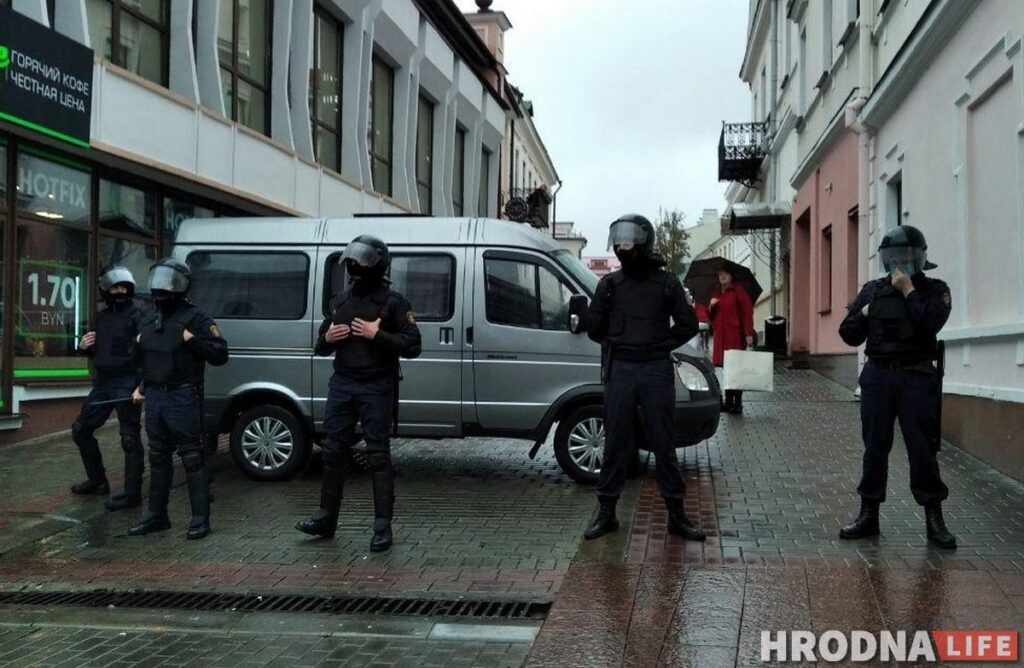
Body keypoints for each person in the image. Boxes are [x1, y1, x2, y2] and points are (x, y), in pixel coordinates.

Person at [583, 214, 705, 542]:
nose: (623, 245)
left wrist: (660, 343)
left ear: (643, 239)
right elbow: (594, 327)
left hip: (654, 369)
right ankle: (606, 513)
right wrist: (611, 334)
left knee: (663, 443)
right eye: (618, 239)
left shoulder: (666, 283)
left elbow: (688, 324)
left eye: (628, 238)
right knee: (616, 443)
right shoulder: (609, 285)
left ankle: (676, 515)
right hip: (621, 368)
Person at [296, 235, 421, 552]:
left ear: (377, 265)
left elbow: (413, 346)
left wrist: (376, 334)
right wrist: (329, 337)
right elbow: (320, 347)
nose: (353, 269)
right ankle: (326, 518)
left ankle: (382, 527)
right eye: (351, 263)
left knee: (378, 455)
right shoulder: (341, 300)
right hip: (342, 384)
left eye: (360, 263)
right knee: (333, 450)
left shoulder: (394, 302)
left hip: (376, 386)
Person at [838, 225, 956, 549]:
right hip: (878, 378)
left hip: (916, 378)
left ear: (919, 257)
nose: (899, 263)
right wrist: (864, 311)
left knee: (922, 450)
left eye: (906, 256)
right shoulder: (873, 290)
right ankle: (868, 514)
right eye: (893, 257)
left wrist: (907, 291)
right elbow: (848, 333)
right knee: (874, 448)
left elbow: (930, 322)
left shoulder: (934, 290)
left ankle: (935, 521)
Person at [128, 259, 229, 540]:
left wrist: (191, 339)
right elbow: (144, 360)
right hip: (157, 396)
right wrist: (142, 387)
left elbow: (220, 354)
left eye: (169, 281)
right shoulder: (150, 318)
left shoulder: (196, 318)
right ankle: (156, 516)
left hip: (184, 394)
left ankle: (200, 519)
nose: (163, 287)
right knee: (158, 456)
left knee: (192, 456)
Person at [70, 266, 146, 511]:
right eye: (115, 287)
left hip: (127, 380)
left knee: (129, 438)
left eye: (124, 286)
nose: (120, 291)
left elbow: (148, 355)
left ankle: (132, 494)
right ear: (106, 289)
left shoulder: (138, 316)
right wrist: (83, 346)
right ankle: (97, 481)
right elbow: (95, 350)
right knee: (81, 430)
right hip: (103, 382)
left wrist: (141, 387)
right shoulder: (100, 318)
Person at [709, 267, 754, 414]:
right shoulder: (717, 294)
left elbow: (748, 311)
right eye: (720, 274)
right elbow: (711, 318)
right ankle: (728, 402)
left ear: (731, 277)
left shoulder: (738, 291)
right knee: (726, 369)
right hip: (720, 337)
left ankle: (738, 403)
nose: (722, 277)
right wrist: (711, 307)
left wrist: (748, 333)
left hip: (734, 335)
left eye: (725, 274)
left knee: (735, 369)